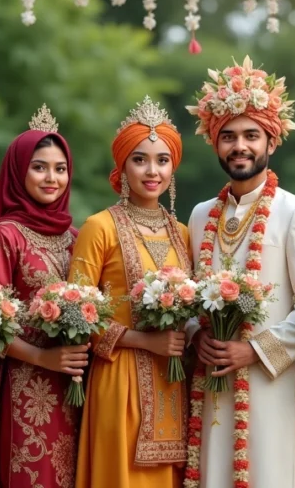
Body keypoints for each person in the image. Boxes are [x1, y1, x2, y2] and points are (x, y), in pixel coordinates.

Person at [184, 56, 295, 487]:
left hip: (269, 384)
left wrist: (257, 351)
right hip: (210, 384)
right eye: (227, 136)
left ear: (272, 141)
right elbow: (189, 295)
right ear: (214, 142)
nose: (239, 146)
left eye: (251, 135)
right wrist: (196, 334)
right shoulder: (199, 215)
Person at [69, 97, 191, 488]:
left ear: (173, 167)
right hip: (118, 381)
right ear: (122, 167)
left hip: (172, 384)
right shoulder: (98, 227)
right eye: (140, 160)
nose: (152, 171)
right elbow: (76, 313)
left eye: (162, 160)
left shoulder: (184, 233)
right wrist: (143, 341)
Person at [0, 105, 86, 488]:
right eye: (39, 167)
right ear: (18, 171)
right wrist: (44, 357)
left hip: (74, 385)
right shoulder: (4, 236)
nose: (51, 178)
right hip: (26, 387)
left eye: (60, 169)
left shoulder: (75, 238)